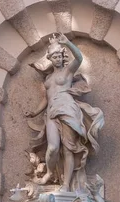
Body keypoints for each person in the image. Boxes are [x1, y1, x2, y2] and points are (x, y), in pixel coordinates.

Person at [26, 32, 105, 192]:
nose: (58, 59)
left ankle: (66, 185)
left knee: (68, 149)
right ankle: (49, 173)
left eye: (60, 56)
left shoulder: (68, 72)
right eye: (54, 56)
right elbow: (46, 99)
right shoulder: (48, 79)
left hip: (68, 110)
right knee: (53, 147)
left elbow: (79, 58)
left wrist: (68, 43)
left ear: (63, 57)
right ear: (49, 58)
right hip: (51, 113)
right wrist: (34, 112)